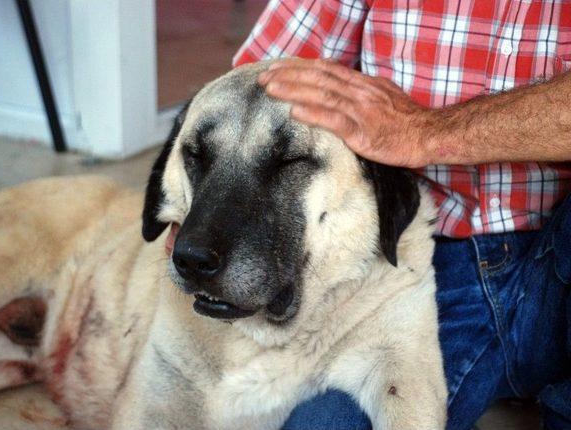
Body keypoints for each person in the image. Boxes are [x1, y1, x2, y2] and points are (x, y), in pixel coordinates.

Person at [232, 1, 571, 429]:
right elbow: (258, 87)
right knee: (320, 423)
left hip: (560, 251)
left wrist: (422, 132)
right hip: (416, 250)